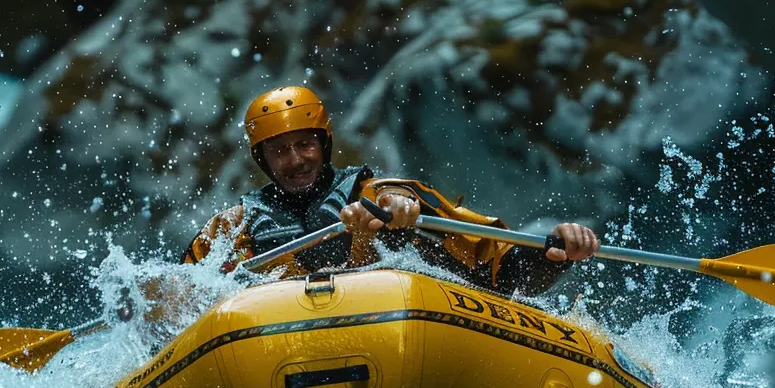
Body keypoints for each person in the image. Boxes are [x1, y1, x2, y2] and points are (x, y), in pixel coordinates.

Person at [181, 85, 599, 297]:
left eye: (304, 144)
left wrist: (549, 253)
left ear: (323, 145)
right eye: (279, 151)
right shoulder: (233, 227)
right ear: (263, 160)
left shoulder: (379, 190)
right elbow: (179, 294)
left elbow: (493, 264)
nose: (295, 161)